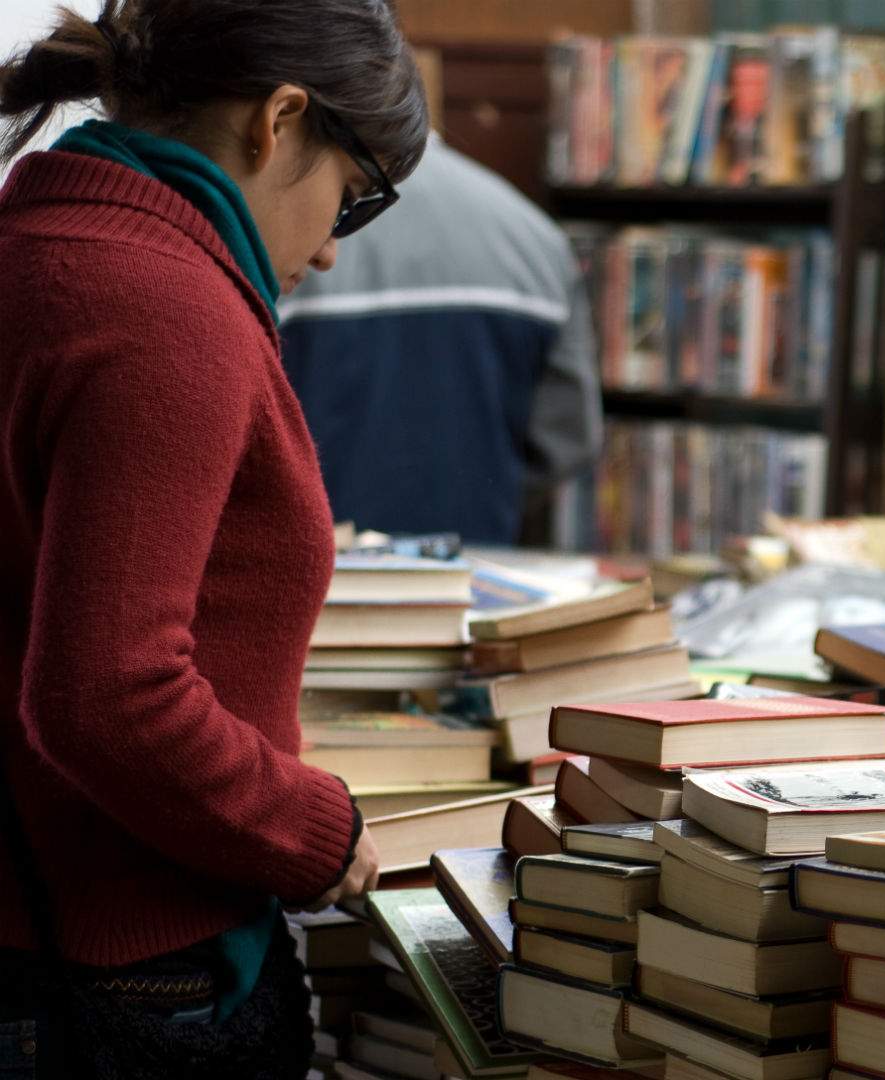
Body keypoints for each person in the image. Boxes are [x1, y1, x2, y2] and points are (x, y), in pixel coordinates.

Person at [0, 0, 426, 1074]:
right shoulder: (162, 308)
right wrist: (314, 831)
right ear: (279, 120)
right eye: (353, 198)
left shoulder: (38, 251)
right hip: (120, 978)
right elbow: (108, 694)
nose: (330, 250)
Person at [277, 133, 601, 546]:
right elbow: (568, 438)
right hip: (472, 570)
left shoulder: (293, 237)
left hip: (321, 572)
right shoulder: (535, 237)